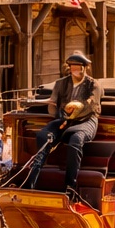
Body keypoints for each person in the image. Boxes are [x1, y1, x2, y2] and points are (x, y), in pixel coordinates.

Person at [24, 51, 103, 197]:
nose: (75, 70)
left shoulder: (93, 85)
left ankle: (70, 187)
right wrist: (56, 109)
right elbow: (53, 106)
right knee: (43, 136)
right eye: (73, 67)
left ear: (85, 68)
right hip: (65, 120)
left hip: (86, 121)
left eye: (78, 67)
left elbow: (90, 105)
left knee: (76, 140)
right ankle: (31, 184)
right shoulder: (61, 83)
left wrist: (74, 109)